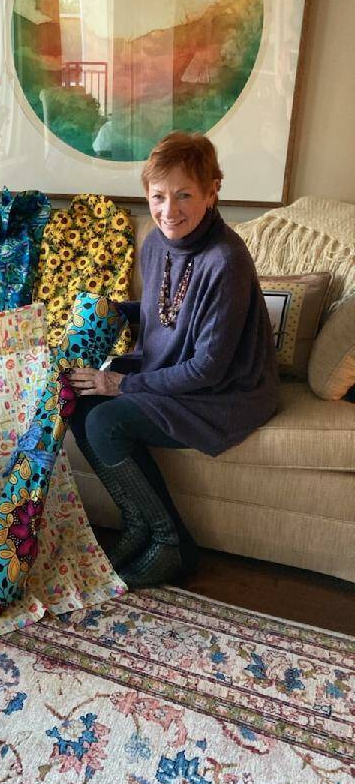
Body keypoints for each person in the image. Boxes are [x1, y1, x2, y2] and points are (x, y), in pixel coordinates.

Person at [67, 131, 279, 587]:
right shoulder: (156, 242)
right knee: (79, 402)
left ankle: (171, 543)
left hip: (222, 391)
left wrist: (121, 384)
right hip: (171, 369)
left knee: (108, 420)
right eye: (158, 196)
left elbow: (208, 368)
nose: (169, 210)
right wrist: (106, 312)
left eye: (184, 195)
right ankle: (140, 527)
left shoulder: (225, 260)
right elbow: (159, 314)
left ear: (212, 191)